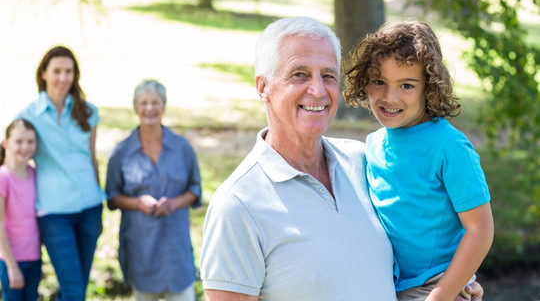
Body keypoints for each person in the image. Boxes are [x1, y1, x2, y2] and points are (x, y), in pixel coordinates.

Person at [200, 16, 484, 301]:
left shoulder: (362, 161)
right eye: (299, 74)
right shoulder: (237, 205)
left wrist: (455, 287)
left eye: (328, 75)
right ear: (263, 87)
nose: (318, 90)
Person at [343, 20, 494, 301]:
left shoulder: (450, 147)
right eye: (379, 82)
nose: (390, 97)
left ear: (430, 86)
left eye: (407, 85)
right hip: (386, 284)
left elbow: (480, 229)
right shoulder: (374, 143)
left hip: (434, 285)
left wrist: (441, 296)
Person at [16, 45, 105, 301]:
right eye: (57, 71)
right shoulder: (28, 117)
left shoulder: (88, 112)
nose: (63, 78)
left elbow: (91, 158)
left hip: (89, 208)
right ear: (43, 73)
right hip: (54, 213)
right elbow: (10, 156)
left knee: (78, 286)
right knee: (73, 288)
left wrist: (98, 199)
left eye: (69, 71)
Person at [105, 79, 202, 301]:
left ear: (164, 106)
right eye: (144, 102)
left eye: (155, 103)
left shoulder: (182, 147)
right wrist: (137, 203)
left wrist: (174, 203)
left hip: (175, 249)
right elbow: (112, 196)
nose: (150, 108)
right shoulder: (121, 152)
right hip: (141, 248)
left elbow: (195, 189)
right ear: (135, 107)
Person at [0, 119, 41, 301]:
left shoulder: (34, 173)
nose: (25, 147)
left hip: (34, 257)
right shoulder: (3, 177)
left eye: (30, 142)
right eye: (19, 141)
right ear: (6, 143)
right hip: (10, 260)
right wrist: (12, 266)